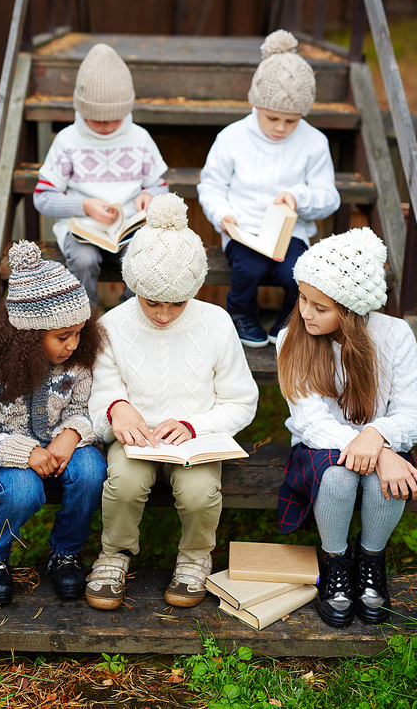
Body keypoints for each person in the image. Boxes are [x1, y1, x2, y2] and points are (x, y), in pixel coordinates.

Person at [86, 193, 259, 610]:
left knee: (200, 492)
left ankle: (195, 556)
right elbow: (97, 394)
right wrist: (117, 408)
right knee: (124, 485)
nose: (163, 315)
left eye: (177, 303)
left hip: (194, 442)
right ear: (133, 286)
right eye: (152, 303)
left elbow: (242, 400)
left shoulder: (215, 323)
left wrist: (195, 426)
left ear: (195, 289)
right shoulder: (112, 325)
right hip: (135, 440)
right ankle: (115, 553)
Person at [276, 227, 417, 627]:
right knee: (342, 477)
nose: (305, 312)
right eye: (302, 298)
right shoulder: (290, 339)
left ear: (351, 310)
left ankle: (371, 561)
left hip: (381, 441)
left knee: (388, 480)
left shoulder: (395, 335)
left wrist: (377, 437)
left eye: (320, 307)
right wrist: (379, 451)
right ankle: (336, 563)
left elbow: (414, 416)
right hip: (319, 446)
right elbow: (312, 423)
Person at [0, 241, 108, 605]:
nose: (74, 344)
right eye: (62, 336)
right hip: (5, 454)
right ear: (27, 338)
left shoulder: (77, 360)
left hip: (60, 445)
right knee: (23, 491)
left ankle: (65, 552)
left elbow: (83, 408)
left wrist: (72, 434)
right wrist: (24, 452)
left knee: (92, 472)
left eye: (79, 332)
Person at [198, 29, 340, 348]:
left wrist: (298, 198)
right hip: (243, 229)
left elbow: (329, 198)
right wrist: (223, 214)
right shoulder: (233, 137)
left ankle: (289, 317)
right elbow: (211, 185)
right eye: (272, 117)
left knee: (296, 271)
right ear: (256, 105)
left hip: (291, 233)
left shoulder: (314, 142)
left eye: (291, 121)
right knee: (248, 268)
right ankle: (240, 312)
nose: (280, 128)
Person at [33, 42, 169, 305]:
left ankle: (128, 314)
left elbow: (159, 184)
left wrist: (150, 195)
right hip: (83, 229)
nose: (107, 126)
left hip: (129, 228)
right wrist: (84, 205)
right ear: (83, 110)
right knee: (83, 260)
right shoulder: (68, 141)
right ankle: (85, 320)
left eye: (115, 118)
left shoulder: (139, 138)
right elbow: (43, 197)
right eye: (97, 119)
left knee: (143, 258)